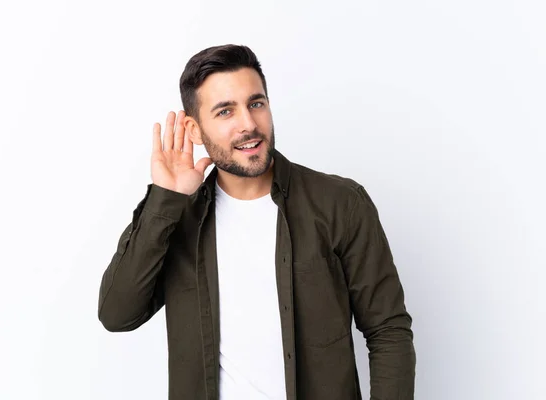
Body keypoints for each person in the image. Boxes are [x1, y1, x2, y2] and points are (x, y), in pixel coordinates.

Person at [98, 44, 416, 400]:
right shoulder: (176, 218)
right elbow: (117, 314)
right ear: (194, 129)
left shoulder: (340, 204)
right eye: (225, 112)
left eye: (256, 103)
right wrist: (165, 200)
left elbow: (388, 330)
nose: (248, 125)